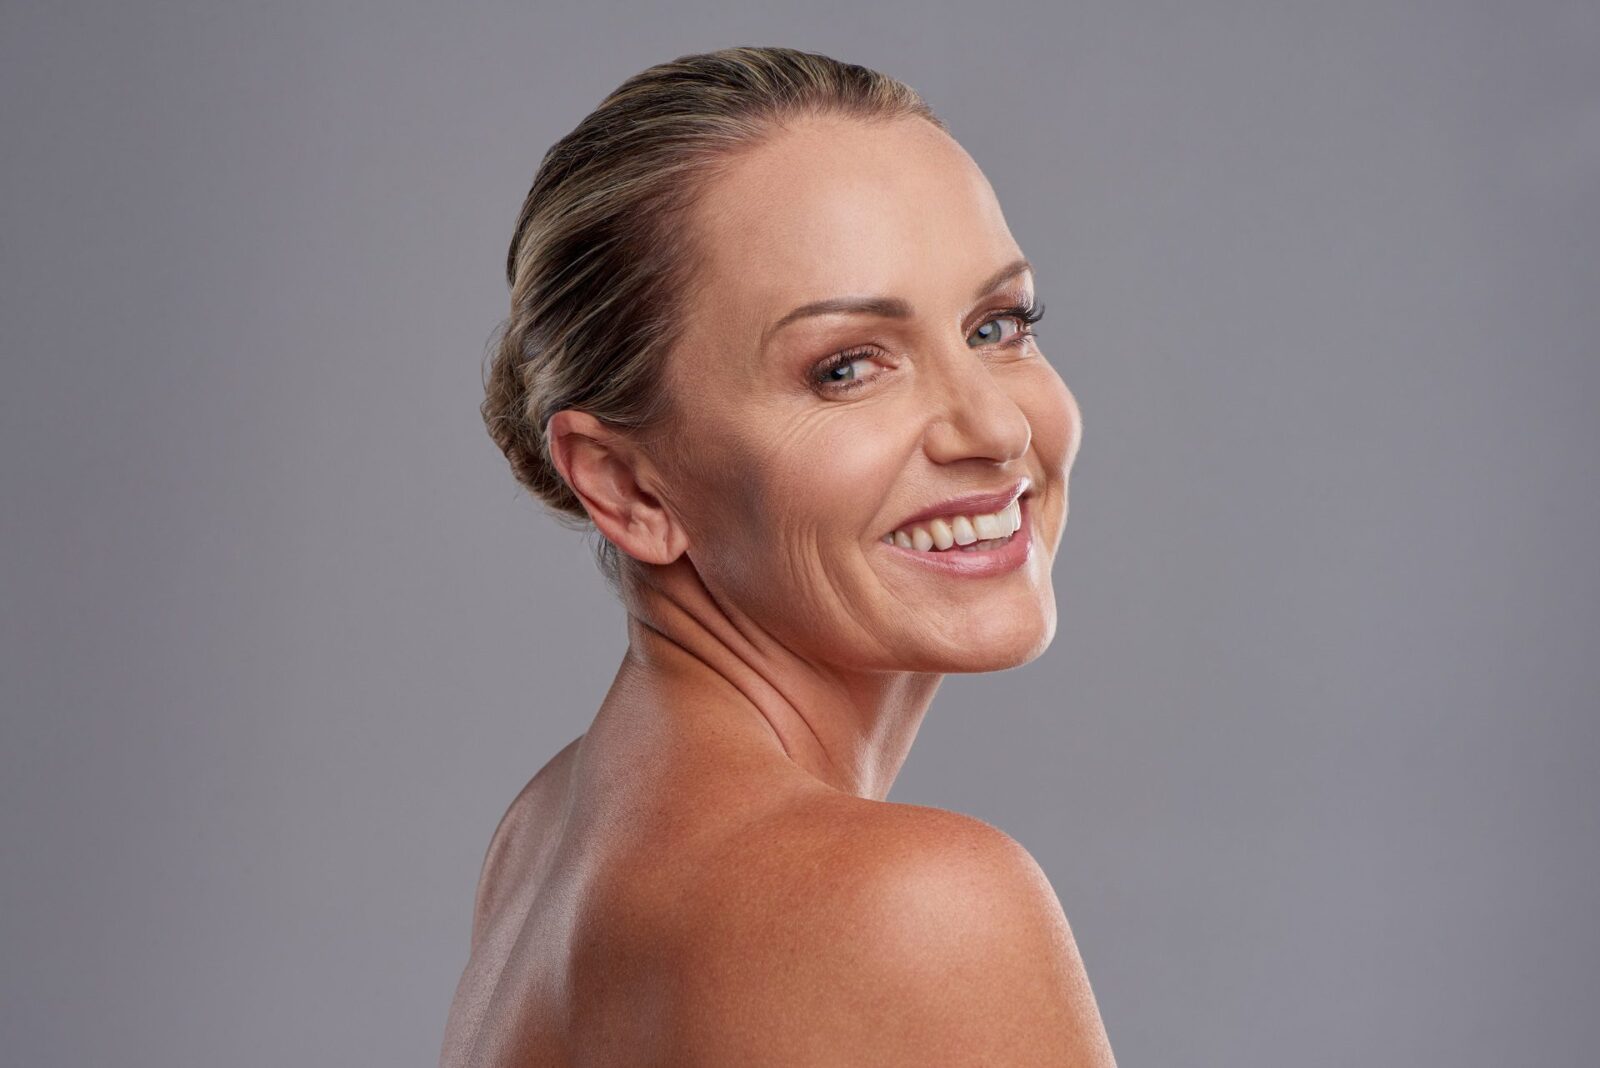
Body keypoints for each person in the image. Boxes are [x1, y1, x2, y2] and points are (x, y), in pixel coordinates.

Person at [440, 45, 1114, 1066]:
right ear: (625, 484)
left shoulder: (556, 832)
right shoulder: (906, 904)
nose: (992, 428)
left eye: (998, 324)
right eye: (846, 367)